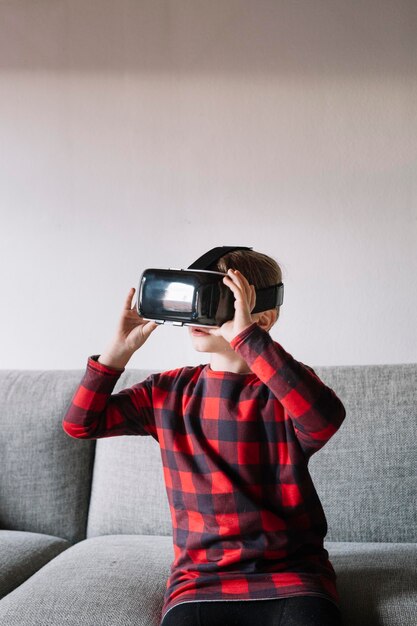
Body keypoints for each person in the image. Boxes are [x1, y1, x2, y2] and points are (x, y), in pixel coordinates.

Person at [62, 248, 346, 626]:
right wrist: (117, 352)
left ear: (263, 317)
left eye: (218, 297)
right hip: (200, 582)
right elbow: (81, 424)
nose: (199, 310)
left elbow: (323, 419)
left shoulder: (284, 387)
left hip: (292, 577)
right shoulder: (167, 391)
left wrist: (248, 339)